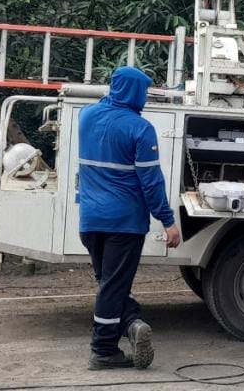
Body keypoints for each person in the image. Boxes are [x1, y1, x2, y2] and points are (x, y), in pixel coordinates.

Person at [77, 65, 181, 371]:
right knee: (113, 286)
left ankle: (133, 323)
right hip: (124, 223)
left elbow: (103, 108)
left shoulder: (86, 116)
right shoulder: (140, 128)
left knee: (108, 282)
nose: (145, 97)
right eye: (144, 91)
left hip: (90, 220)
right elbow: (151, 182)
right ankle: (103, 350)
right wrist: (167, 221)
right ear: (134, 91)